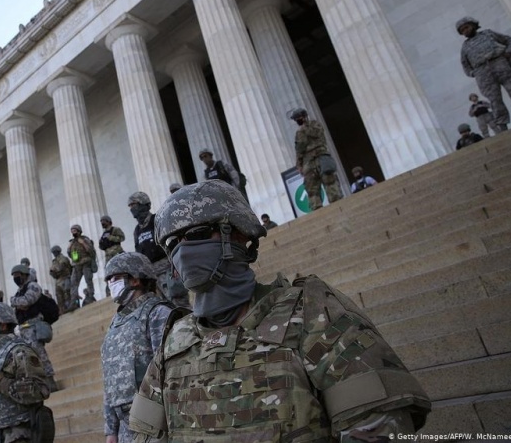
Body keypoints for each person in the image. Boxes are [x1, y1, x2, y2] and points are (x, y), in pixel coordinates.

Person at [129, 180, 431, 441]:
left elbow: (378, 425)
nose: (182, 250)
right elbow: (145, 435)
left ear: (238, 234)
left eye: (195, 234)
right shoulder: (175, 340)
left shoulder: (312, 314)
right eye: (173, 243)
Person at [101, 252, 174, 443]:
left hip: (156, 421)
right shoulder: (115, 323)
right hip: (126, 427)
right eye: (109, 280)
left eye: (116, 278)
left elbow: (171, 372)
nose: (111, 284)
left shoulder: (158, 313)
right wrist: (111, 430)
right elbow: (109, 380)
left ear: (135, 280)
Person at [0, 302, 52, 443]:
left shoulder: (18, 351)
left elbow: (40, 390)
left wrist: (1, 383)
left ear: (3, 325)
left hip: (15, 434)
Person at [458, 16, 511, 134]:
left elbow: (509, 40)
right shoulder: (465, 47)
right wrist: (474, 73)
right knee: (495, 101)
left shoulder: (488, 34)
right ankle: (503, 127)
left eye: (467, 27)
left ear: (473, 25)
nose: (466, 31)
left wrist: (508, 51)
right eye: (462, 30)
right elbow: (465, 65)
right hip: (483, 75)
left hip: (500, 65)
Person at [10, 264, 58, 392]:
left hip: (33, 326)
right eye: (14, 276)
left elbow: (26, 301)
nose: (15, 278)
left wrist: (14, 301)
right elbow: (20, 305)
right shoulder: (19, 291)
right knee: (28, 357)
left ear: (24, 274)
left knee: (39, 353)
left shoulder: (33, 286)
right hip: (23, 328)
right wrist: (18, 303)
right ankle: (39, 381)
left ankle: (50, 379)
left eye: (17, 275)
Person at [290, 107, 343, 211]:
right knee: (313, 188)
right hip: (311, 162)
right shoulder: (302, 131)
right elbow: (300, 150)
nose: (297, 121)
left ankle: (338, 206)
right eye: (296, 119)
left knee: (329, 183)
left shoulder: (313, 126)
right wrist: (299, 165)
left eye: (298, 118)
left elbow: (314, 136)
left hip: (319, 158)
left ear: (303, 117)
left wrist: (305, 127)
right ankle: (319, 210)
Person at [67, 224, 96, 310]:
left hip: (85, 263)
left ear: (79, 231)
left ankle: (90, 296)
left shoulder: (85, 239)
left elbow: (91, 250)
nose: (73, 233)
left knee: (88, 280)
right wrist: (69, 248)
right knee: (73, 283)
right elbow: (70, 254)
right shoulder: (72, 242)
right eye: (72, 231)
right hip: (76, 265)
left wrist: (83, 243)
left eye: (75, 231)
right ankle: (74, 302)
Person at [49, 245, 73, 314]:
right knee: (59, 297)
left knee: (67, 295)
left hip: (65, 278)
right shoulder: (54, 261)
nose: (54, 254)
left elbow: (60, 268)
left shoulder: (63, 258)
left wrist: (54, 271)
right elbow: (51, 271)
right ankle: (62, 311)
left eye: (54, 252)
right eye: (53, 252)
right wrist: (53, 272)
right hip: (58, 280)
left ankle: (69, 308)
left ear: (58, 251)